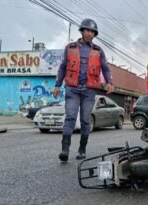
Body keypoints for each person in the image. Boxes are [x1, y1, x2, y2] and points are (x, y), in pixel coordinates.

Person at [53, 18, 113, 162]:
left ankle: (82, 149)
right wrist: (57, 85)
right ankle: (65, 150)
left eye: (92, 31)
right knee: (70, 118)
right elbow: (63, 67)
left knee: (86, 120)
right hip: (72, 89)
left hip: (89, 91)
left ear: (95, 34)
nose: (90, 33)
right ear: (82, 31)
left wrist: (109, 82)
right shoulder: (70, 47)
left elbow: (105, 68)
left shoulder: (99, 51)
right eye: (87, 30)